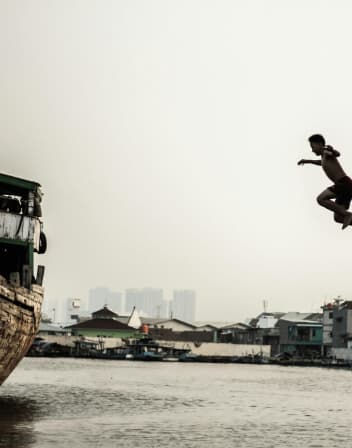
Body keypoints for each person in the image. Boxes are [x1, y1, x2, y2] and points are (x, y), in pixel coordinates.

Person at [298, 134, 352, 229]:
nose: (312, 150)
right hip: (344, 186)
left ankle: (347, 214)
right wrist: (308, 161)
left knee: (321, 199)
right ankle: (346, 215)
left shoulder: (326, 152)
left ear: (319, 144)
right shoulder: (324, 157)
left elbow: (336, 154)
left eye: (313, 147)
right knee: (338, 218)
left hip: (344, 183)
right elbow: (321, 162)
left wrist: (332, 150)